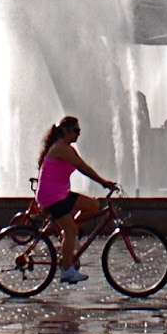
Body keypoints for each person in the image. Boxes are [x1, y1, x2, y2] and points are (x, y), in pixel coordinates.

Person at [36, 115, 118, 285]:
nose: (79, 134)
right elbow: (83, 168)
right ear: (65, 131)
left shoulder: (67, 148)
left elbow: (82, 164)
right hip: (51, 197)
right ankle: (67, 271)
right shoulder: (60, 149)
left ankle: (69, 237)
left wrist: (103, 182)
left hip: (61, 194)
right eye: (76, 130)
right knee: (71, 229)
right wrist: (104, 182)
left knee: (93, 205)